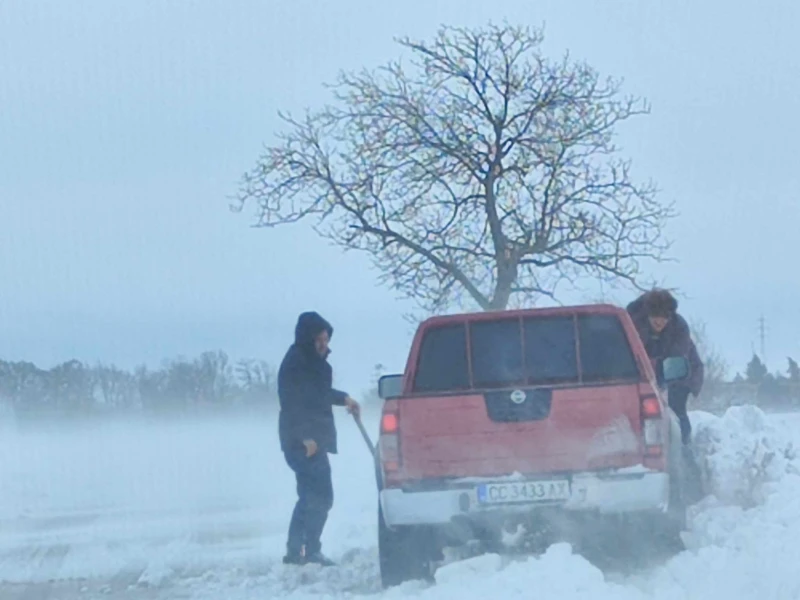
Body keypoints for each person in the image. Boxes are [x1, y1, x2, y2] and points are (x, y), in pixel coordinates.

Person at [278, 311, 361, 567]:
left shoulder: (315, 365)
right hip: (301, 441)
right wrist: (305, 437)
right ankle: (304, 551)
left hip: (315, 440)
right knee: (317, 495)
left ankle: (302, 551)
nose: (325, 344)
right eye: (320, 339)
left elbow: (319, 394)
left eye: (326, 339)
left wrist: (344, 398)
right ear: (307, 338)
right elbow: (293, 403)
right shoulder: (296, 364)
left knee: (315, 494)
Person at [627, 289, 704, 445]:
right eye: (655, 317)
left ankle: (684, 447)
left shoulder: (679, 327)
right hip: (641, 372)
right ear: (647, 314)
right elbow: (631, 355)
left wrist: (664, 381)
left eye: (665, 318)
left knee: (676, 410)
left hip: (682, 370)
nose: (660, 322)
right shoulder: (632, 324)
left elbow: (677, 359)